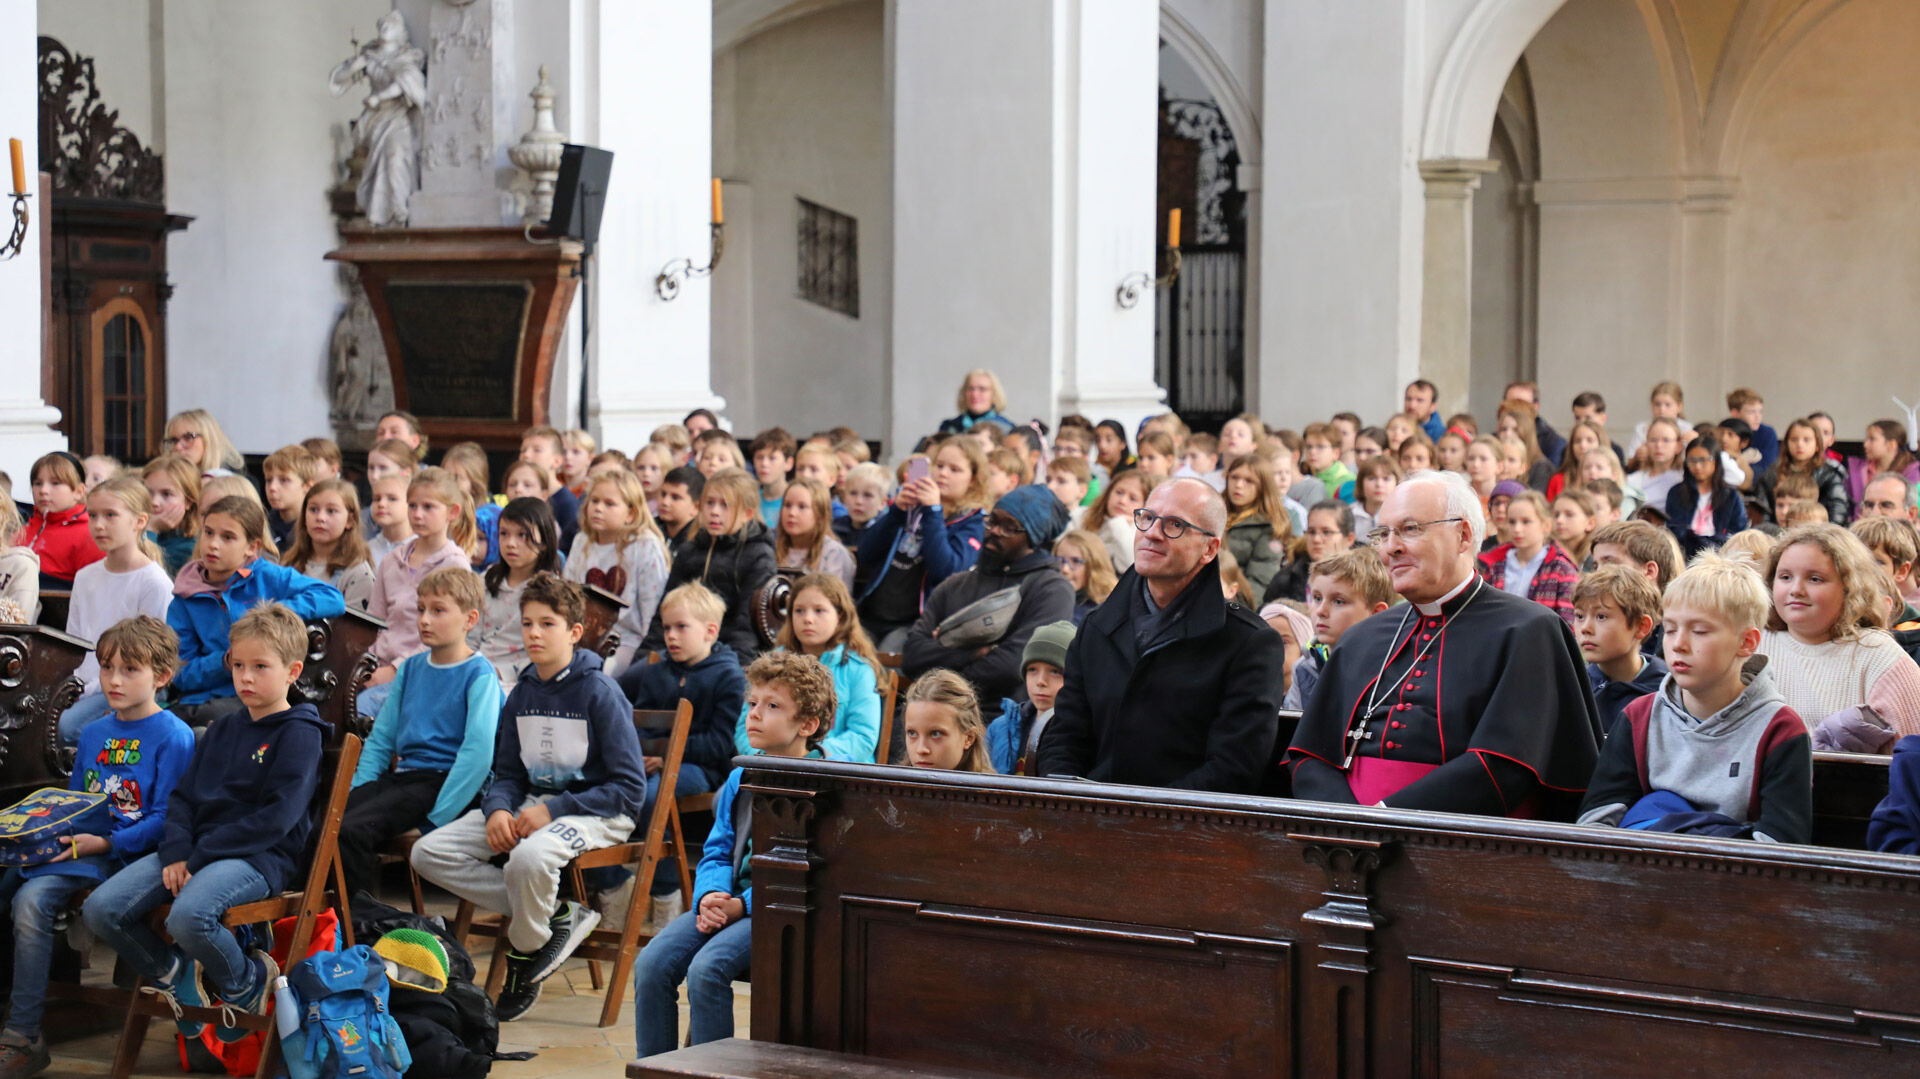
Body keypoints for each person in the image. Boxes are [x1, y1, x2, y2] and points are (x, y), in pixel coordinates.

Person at [1287, 470, 1600, 816]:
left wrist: (1387, 817)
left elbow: (1506, 766)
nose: (1391, 547)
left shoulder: (1529, 630)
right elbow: (1310, 755)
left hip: (1462, 842)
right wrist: (1345, 822)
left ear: (1463, 536)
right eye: (1383, 534)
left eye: (1410, 529)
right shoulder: (1362, 637)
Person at [83, 604, 327, 1041]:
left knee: (187, 916)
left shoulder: (300, 733)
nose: (245, 677)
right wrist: (178, 852)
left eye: (259, 667)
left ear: (292, 671)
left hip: (257, 857)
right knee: (101, 909)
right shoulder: (223, 728)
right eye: (237, 665)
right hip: (195, 852)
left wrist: (196, 856)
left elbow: (276, 819)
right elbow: (184, 799)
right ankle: (171, 970)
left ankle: (245, 981)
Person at [410, 573, 645, 1022]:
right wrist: (497, 807)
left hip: (598, 811)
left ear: (574, 633)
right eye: (527, 623)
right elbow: (508, 772)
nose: (534, 633)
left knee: (527, 861)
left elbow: (629, 788)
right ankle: (554, 916)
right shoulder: (522, 692)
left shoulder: (599, 692)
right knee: (428, 852)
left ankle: (526, 948)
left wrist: (552, 810)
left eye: (548, 624)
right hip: (531, 804)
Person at [0, 617, 194, 1074]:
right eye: (107, 668)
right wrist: (41, 833)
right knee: (15, 889)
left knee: (30, 900)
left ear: (162, 676)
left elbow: (168, 821)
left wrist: (104, 842)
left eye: (130, 670)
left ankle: (22, 1034)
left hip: (131, 857)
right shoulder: (93, 733)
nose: (113, 680)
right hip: (81, 849)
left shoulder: (174, 736)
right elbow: (75, 802)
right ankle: (23, 1022)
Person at [631, 652, 834, 1059]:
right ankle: (655, 1069)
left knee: (707, 971)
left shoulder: (825, 787)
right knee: (651, 965)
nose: (755, 714)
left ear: (807, 725)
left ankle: (712, 1070)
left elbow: (812, 874)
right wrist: (710, 897)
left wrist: (741, 906)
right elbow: (718, 847)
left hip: (783, 911)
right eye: (752, 703)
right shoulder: (742, 775)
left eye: (772, 706)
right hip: (727, 902)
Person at [1036, 477, 1286, 793]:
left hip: (1185, 824)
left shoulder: (1248, 642)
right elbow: (1067, 732)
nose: (1152, 533)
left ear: (1209, 549)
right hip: (1089, 814)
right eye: (1147, 518)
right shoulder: (1098, 626)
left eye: (1175, 525)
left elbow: (1235, 765)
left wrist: (1148, 814)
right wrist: (1066, 797)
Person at [1578, 554, 1811, 844]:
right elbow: (1594, 826)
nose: (1678, 645)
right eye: (1671, 630)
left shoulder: (1780, 729)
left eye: (1699, 631)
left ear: (1746, 642)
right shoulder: (1639, 716)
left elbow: (1781, 846)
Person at [341, 567, 502, 900]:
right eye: (421, 609)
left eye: (438, 610)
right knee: (325, 824)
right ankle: (326, 928)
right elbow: (383, 737)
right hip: (404, 781)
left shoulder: (479, 673)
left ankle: (363, 927)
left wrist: (437, 818)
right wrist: (358, 791)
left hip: (443, 783)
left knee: (350, 832)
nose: (425, 620)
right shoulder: (412, 668)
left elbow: (477, 754)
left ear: (470, 619)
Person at [617, 582, 746, 927]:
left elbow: (721, 743)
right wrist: (642, 753)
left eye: (681, 627)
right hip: (653, 765)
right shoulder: (657, 671)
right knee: (612, 790)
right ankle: (612, 882)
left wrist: (667, 755)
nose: (671, 636)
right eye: (667, 627)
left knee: (652, 797)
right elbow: (640, 724)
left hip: (703, 770)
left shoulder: (729, 676)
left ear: (710, 631)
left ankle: (665, 891)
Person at [167, 497, 346, 727]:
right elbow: (181, 674)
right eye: (208, 533)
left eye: (228, 537)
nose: (213, 544)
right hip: (203, 698)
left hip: (258, 694)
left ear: (251, 547)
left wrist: (270, 614)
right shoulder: (185, 597)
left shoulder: (266, 576)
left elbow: (332, 598)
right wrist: (227, 661)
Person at [903, 485, 1075, 706]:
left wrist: (943, 666)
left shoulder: (1052, 589)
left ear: (1035, 537)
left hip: (1000, 716)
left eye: (1009, 527)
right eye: (992, 521)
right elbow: (912, 654)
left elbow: (1013, 665)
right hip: (935, 708)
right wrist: (974, 653)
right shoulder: (956, 583)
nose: (994, 531)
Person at [1757, 524, 1920, 736]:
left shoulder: (1879, 655)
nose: (1796, 589)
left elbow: (1911, 750)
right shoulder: (1754, 645)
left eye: (1815, 579)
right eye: (1785, 577)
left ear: (1849, 588)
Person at [56, 478, 174, 745]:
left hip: (125, 686)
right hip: (81, 685)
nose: (98, 525)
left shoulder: (153, 582)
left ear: (139, 521)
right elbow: (73, 641)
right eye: (93, 515)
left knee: (65, 728)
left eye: (111, 515)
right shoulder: (85, 577)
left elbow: (153, 655)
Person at [360, 468, 474, 717]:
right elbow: (374, 621)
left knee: (362, 710)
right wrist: (363, 665)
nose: (417, 514)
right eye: (412, 506)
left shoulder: (454, 565)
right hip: (377, 667)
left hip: (425, 670)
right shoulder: (391, 561)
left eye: (428, 507)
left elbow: (451, 634)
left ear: (452, 512)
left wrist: (395, 669)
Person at [856, 436, 988, 646]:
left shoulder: (973, 522)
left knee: (887, 661)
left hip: (915, 624)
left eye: (955, 469)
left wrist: (933, 511)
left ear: (972, 479)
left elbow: (946, 570)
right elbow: (865, 554)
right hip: (871, 613)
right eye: (939, 465)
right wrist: (896, 513)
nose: (943, 473)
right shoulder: (911, 506)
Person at [642, 468, 778, 660]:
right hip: (679, 650)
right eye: (710, 503)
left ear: (747, 514)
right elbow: (664, 614)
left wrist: (733, 673)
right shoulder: (690, 550)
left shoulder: (759, 556)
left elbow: (745, 629)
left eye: (725, 505)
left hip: (725, 657)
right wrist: (645, 656)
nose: (714, 512)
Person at [565, 468, 670, 676]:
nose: (598, 508)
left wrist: (647, 656)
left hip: (627, 640)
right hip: (581, 636)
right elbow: (567, 594)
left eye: (609, 504)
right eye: (594, 501)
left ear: (630, 513)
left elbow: (653, 610)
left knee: (598, 673)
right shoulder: (582, 541)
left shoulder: (645, 546)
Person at [1285, 547, 1393, 711]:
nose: (1321, 610)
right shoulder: (1304, 667)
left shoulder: (1393, 670)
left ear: (1376, 613)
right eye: (1317, 598)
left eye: (1338, 601)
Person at [474, 497, 564, 689]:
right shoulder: (488, 579)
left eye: (522, 535)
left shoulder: (549, 590)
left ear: (545, 542)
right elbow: (471, 635)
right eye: (504, 534)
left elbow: (546, 650)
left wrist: (502, 672)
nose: (510, 543)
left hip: (521, 679)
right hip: (478, 669)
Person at [1573, 565, 1668, 735]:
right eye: (1579, 616)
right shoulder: (1575, 686)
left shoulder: (1666, 693)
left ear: (1641, 626)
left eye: (1601, 616)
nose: (1585, 628)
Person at [1476, 491, 1580, 626]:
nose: (1517, 529)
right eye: (1512, 522)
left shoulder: (1561, 569)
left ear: (1546, 526)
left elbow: (1568, 623)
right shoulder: (1493, 565)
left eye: (1526, 522)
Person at [986, 621, 1073, 774]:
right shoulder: (1000, 727)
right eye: (1032, 669)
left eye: (1055, 672)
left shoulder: (1083, 733)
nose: (1040, 681)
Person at [283, 479, 375, 613]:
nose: (320, 517)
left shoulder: (357, 573)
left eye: (331, 511)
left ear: (349, 520)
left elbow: (354, 630)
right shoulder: (290, 562)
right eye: (313, 509)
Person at [19, 452, 104, 587]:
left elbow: (95, 591)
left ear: (79, 491)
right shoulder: (20, 529)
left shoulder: (91, 534)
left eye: (55, 483)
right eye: (37, 483)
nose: (43, 490)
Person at [1222, 454, 1298, 599]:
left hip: (1235, 607)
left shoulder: (1270, 527)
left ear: (1263, 485)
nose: (1238, 485)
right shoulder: (1213, 513)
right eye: (1234, 477)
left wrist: (1227, 610)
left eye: (1249, 481)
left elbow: (1258, 586)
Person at [1666, 435, 1748, 559]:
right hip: (1685, 555)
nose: (1697, 466)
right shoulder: (1676, 493)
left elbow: (1738, 532)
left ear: (1716, 461)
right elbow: (1674, 530)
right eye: (1692, 460)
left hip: (1722, 556)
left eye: (1704, 460)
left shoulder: (1730, 495)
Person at [1755, 418, 1849, 526]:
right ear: (1786, 443)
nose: (1799, 444)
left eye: (1806, 440)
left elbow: (1838, 513)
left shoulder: (1829, 475)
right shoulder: (1772, 474)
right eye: (1794, 439)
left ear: (1817, 445)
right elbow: (1762, 512)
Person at [903, 669, 995, 772]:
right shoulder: (887, 786)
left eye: (936, 734)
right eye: (912, 733)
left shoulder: (991, 788)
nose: (921, 749)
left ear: (968, 738)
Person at [774, 478, 856, 589]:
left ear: (820, 514)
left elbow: (833, 600)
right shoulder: (772, 547)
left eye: (802, 507)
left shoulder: (833, 554)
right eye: (787, 505)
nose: (792, 513)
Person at [520, 425, 582, 550]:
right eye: (523, 450)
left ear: (557, 461)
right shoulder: (520, 494)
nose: (526, 455)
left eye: (537, 450)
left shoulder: (567, 503)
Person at [1083, 468, 1152, 574]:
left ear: (1144, 506)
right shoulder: (1085, 515)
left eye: (1132, 499)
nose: (1122, 501)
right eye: (1119, 492)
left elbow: (1127, 567)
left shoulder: (1140, 533)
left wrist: (1119, 523)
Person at [141, 455, 201, 577]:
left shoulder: (188, 548)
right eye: (149, 493)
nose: (154, 502)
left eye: (166, 494)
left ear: (188, 501)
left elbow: (145, 574)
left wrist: (151, 530)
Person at [1849, 419, 1920, 509]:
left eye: (1872, 439)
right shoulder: (1857, 469)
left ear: (1891, 444)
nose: (1865, 444)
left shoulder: (1911, 472)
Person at [1053, 529, 1116, 626]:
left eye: (1076, 561)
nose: (1065, 569)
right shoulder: (1045, 599)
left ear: (1094, 566)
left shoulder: (1106, 610)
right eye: (1059, 560)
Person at [161, 409, 246, 480]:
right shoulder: (162, 481)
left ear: (209, 439)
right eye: (173, 440)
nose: (178, 446)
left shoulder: (234, 484)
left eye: (188, 437)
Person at [1625, 381, 1695, 460]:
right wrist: (1637, 456)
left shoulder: (1687, 430)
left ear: (1679, 406)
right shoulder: (1642, 429)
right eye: (1657, 404)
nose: (1662, 409)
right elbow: (1629, 461)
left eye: (1667, 405)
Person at [938, 369, 1015, 436]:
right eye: (970, 389)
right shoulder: (950, 427)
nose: (974, 394)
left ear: (994, 394)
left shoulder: (1005, 428)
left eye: (982, 389)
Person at [748, 427, 796, 528]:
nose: (764, 464)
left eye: (772, 458)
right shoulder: (750, 501)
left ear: (788, 463)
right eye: (759, 457)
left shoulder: (798, 501)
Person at [655, 465, 706, 554]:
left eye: (675, 498)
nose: (665, 502)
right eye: (663, 494)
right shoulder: (650, 530)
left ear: (696, 508)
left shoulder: (700, 543)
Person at [1552, 488, 1600, 567]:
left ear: (1590, 523)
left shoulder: (1595, 559)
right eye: (1556, 515)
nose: (1559, 520)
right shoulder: (1545, 553)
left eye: (1569, 515)